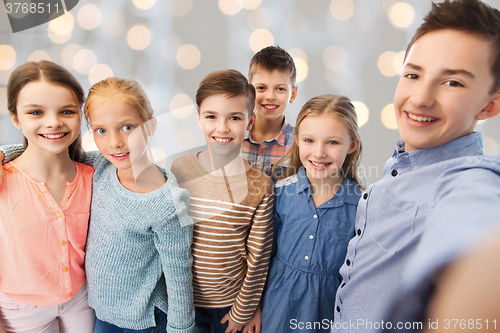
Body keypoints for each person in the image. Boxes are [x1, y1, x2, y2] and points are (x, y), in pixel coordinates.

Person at [333, 0, 500, 332]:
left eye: (453, 82)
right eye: (413, 74)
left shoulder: (468, 182)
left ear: (490, 105)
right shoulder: (401, 166)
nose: (421, 97)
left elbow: (480, 235)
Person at [0, 77, 195, 333]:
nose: (115, 142)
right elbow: (51, 152)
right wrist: (5, 153)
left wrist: (181, 329)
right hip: (99, 313)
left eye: (127, 127)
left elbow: (179, 274)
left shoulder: (168, 202)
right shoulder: (103, 166)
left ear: (151, 125)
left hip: (143, 319)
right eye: (102, 131)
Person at [170, 69, 274, 333]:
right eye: (211, 116)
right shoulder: (180, 169)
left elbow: (258, 257)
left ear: (250, 122)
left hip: (230, 307)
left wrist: (243, 310)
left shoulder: (260, 185)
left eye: (235, 118)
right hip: (182, 302)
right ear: (198, 118)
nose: (222, 128)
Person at [0, 61, 95, 332]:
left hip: (80, 300)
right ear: (16, 117)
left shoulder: (94, 176)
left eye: (66, 111)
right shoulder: (4, 179)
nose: (53, 122)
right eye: (36, 112)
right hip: (19, 311)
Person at [260, 95, 363, 333]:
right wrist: (253, 310)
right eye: (309, 140)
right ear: (296, 140)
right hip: (276, 309)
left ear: (352, 145)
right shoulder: (280, 193)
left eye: (333, 143)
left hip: (327, 315)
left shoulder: (361, 206)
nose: (318, 153)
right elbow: (262, 259)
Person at [241, 46, 298, 179]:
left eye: (280, 89)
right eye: (261, 88)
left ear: (293, 94)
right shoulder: (234, 135)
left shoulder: (299, 144)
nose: (270, 96)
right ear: (249, 91)